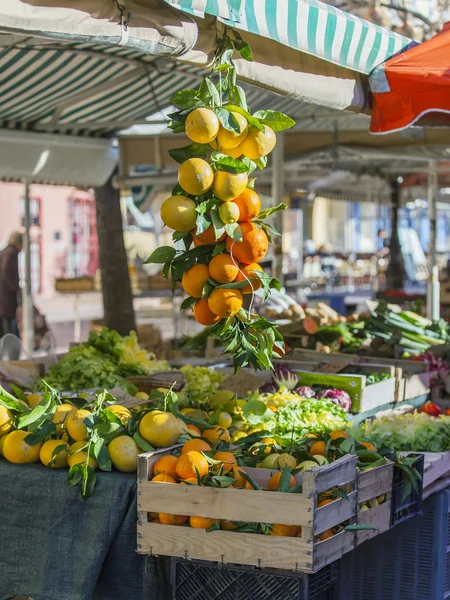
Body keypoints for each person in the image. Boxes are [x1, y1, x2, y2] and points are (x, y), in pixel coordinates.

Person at [0, 231, 23, 339]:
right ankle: (11, 354)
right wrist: (15, 287)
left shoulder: (4, 252)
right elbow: (6, 272)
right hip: (6, 299)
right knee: (9, 331)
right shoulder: (11, 253)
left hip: (3, 299)